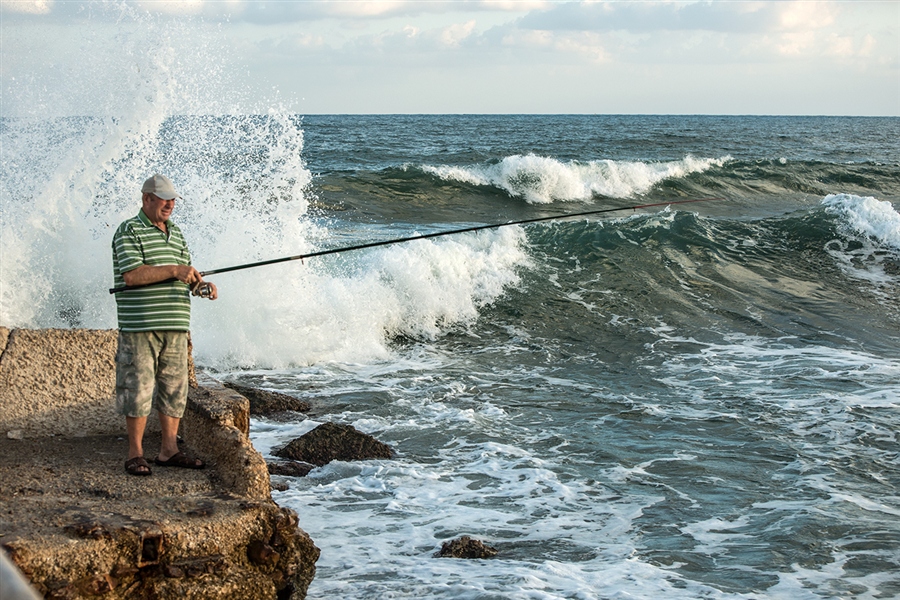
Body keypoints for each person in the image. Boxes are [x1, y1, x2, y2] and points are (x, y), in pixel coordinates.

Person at [112, 174, 217, 476]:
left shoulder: (177, 234)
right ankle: (135, 453)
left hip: (176, 325)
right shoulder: (128, 230)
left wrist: (202, 287)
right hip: (140, 326)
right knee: (138, 388)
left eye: (173, 199)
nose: (170, 204)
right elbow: (132, 275)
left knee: (174, 388)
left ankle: (169, 450)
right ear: (147, 198)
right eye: (164, 199)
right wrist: (175, 269)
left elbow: (184, 278)